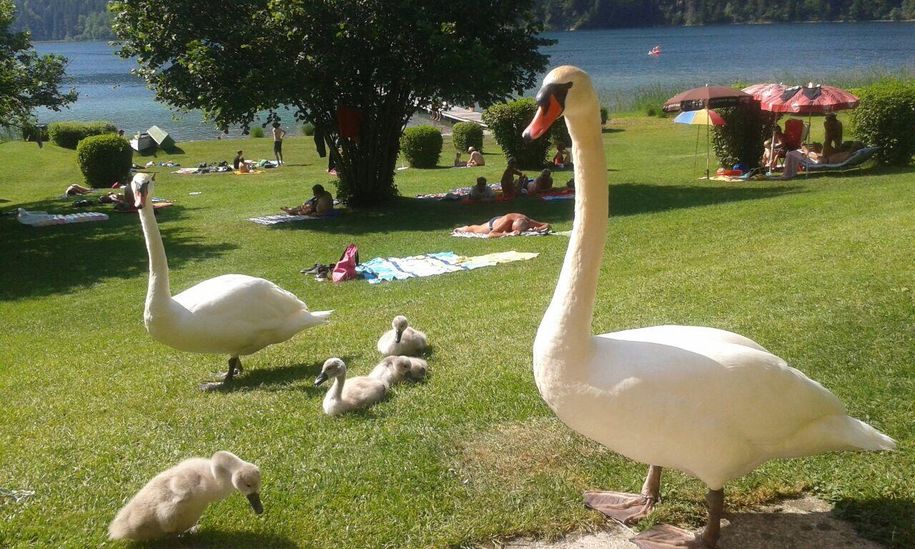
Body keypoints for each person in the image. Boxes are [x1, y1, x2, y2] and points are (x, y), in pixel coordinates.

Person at [455, 213, 551, 238]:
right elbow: (492, 234)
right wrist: (508, 234)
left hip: (507, 221)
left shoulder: (526, 220)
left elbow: (547, 224)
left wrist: (539, 228)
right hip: (493, 224)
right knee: (474, 229)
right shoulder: (508, 220)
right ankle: (463, 228)